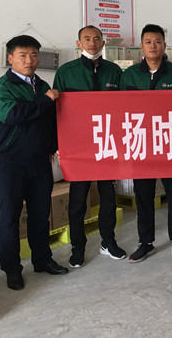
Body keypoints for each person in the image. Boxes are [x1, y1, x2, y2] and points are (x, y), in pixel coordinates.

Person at [0, 35, 68, 290]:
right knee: (10, 217)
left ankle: (42, 260)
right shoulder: (1, 88)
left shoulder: (42, 85)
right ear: (10, 58)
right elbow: (14, 115)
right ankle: (12, 270)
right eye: (22, 55)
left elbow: (51, 121)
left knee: (40, 215)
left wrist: (55, 147)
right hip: (10, 162)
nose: (29, 60)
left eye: (33, 55)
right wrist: (45, 100)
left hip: (39, 162)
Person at [53, 25, 126, 267]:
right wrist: (59, 145)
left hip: (107, 143)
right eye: (87, 39)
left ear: (103, 43)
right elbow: (57, 111)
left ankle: (108, 242)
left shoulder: (114, 71)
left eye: (96, 39)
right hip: (78, 146)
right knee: (77, 200)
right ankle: (78, 247)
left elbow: (123, 108)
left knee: (108, 197)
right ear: (79, 43)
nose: (92, 43)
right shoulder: (66, 72)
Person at [120, 24, 172, 263]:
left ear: (164, 46)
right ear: (141, 46)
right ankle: (146, 242)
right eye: (148, 42)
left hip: (170, 144)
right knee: (143, 195)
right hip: (141, 144)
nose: (153, 46)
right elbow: (120, 110)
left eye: (158, 41)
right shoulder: (129, 76)